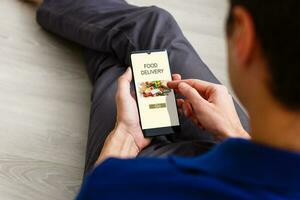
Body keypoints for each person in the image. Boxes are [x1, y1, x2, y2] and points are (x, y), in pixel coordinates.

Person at [25, 0, 300, 199]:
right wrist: (235, 134)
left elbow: (105, 186)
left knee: (118, 70)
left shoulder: (115, 186)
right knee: (153, 27)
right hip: (243, 147)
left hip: (140, 170)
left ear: (243, 37)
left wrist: (124, 136)